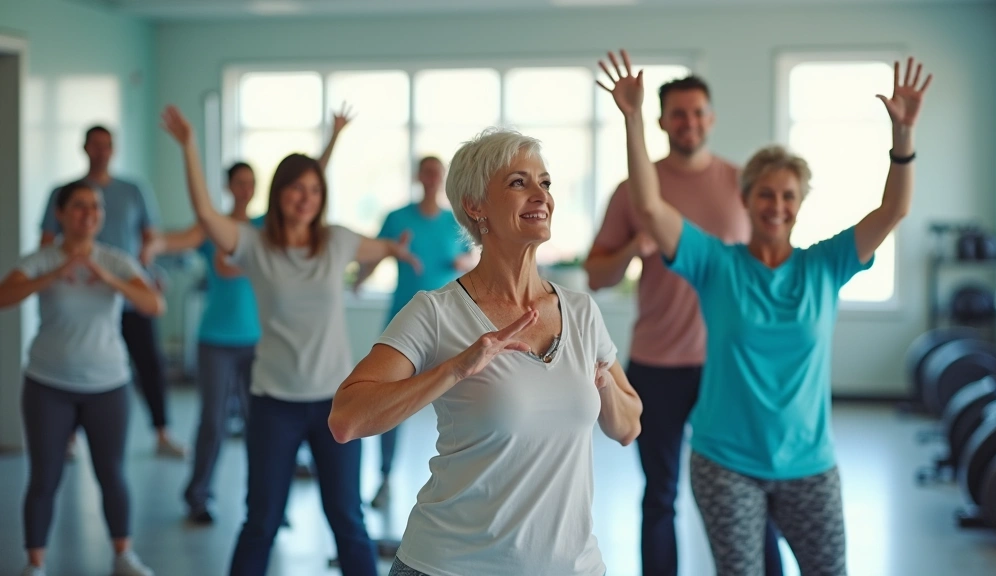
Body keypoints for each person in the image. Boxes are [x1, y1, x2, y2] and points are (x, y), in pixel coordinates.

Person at [600, 49, 931, 576]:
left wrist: (904, 136)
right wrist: (634, 119)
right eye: (766, 195)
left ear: (800, 204)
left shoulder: (827, 264)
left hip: (810, 465)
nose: (777, 206)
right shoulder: (714, 264)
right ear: (746, 199)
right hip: (725, 462)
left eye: (788, 196)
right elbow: (649, 207)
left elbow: (894, 210)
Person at [328, 128, 644, 576]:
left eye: (545, 183)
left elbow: (629, 426)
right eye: (519, 183)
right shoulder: (436, 313)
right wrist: (455, 370)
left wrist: (602, 389)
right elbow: (346, 418)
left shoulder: (580, 311)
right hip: (450, 565)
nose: (540, 195)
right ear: (476, 207)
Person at [162, 105, 420, 576]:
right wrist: (189, 147)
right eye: (296, 189)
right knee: (260, 521)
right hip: (273, 405)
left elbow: (380, 247)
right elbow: (204, 214)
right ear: (279, 194)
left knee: (347, 519)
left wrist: (395, 250)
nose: (305, 198)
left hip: (337, 405)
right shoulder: (255, 246)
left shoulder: (338, 241)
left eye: (315, 190)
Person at [585, 64, 783, 575]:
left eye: (697, 113)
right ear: (662, 121)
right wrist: (633, 246)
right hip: (658, 362)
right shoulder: (635, 189)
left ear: (711, 118)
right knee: (661, 494)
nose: (689, 123)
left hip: (731, 363)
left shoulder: (742, 184)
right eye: (678, 114)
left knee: (750, 484)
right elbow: (597, 274)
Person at [142, 107, 354, 524]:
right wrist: (151, 247)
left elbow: (309, 183)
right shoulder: (219, 230)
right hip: (216, 339)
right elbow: (178, 237)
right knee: (213, 423)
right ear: (228, 186)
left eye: (250, 183)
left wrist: (333, 138)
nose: (245, 188)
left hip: (258, 340)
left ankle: (269, 506)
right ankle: (199, 495)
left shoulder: (263, 229)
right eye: (238, 182)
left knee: (265, 431)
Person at [1, 181, 165, 576]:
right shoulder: (40, 259)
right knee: (45, 476)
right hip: (48, 383)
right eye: (79, 206)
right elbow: (5, 296)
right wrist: (59, 271)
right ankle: (35, 562)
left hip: (107, 385)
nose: (89, 213)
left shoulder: (116, 260)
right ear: (60, 213)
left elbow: (153, 305)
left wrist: (105, 278)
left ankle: (123, 555)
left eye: (96, 207)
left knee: (112, 473)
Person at [40, 125, 185, 459]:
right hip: (82, 297)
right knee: (76, 361)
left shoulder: (133, 190)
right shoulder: (64, 192)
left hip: (127, 291)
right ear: (85, 148)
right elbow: (47, 243)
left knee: (149, 362)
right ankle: (69, 438)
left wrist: (147, 273)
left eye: (108, 145)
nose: (102, 151)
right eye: (96, 145)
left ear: (113, 149)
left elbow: (151, 238)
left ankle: (163, 432)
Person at [352, 155, 476, 509]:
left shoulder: (455, 221)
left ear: (444, 178)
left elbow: (473, 259)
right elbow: (375, 255)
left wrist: (461, 263)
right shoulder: (397, 219)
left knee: (463, 400)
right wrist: (358, 281)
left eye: (438, 172)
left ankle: (462, 484)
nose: (432, 177)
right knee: (390, 400)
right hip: (403, 324)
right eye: (427, 171)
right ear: (419, 176)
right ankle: (385, 478)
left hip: (451, 324)